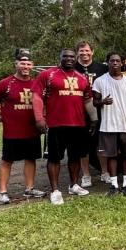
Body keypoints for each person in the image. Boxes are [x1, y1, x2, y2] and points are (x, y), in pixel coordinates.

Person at [0, 48, 44, 204]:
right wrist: (3, 112)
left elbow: (44, 102)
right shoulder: (6, 83)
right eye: (22, 63)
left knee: (31, 159)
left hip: (32, 129)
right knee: (7, 160)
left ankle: (29, 188)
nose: (25, 66)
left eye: (28, 63)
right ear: (16, 64)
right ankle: (2, 192)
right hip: (13, 131)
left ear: (32, 65)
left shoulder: (37, 82)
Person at [35, 48, 96, 205]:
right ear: (60, 58)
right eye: (65, 56)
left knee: (75, 156)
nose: (69, 59)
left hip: (78, 124)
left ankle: (73, 185)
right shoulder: (48, 75)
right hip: (56, 124)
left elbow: (87, 100)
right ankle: (55, 190)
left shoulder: (82, 78)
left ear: (75, 59)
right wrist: (39, 118)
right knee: (54, 158)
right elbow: (36, 96)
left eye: (71, 57)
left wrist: (94, 119)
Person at [92, 52, 126, 196]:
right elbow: (95, 102)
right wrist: (102, 102)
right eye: (112, 60)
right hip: (108, 126)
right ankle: (113, 184)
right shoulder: (100, 81)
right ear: (107, 62)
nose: (114, 63)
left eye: (117, 61)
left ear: (122, 63)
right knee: (111, 156)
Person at [75, 40, 109, 187]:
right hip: (79, 112)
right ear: (77, 53)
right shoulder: (72, 68)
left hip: (100, 109)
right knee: (83, 144)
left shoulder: (102, 68)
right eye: (81, 51)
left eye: (87, 50)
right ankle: (86, 175)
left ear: (92, 52)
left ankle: (105, 172)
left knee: (101, 142)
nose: (84, 53)